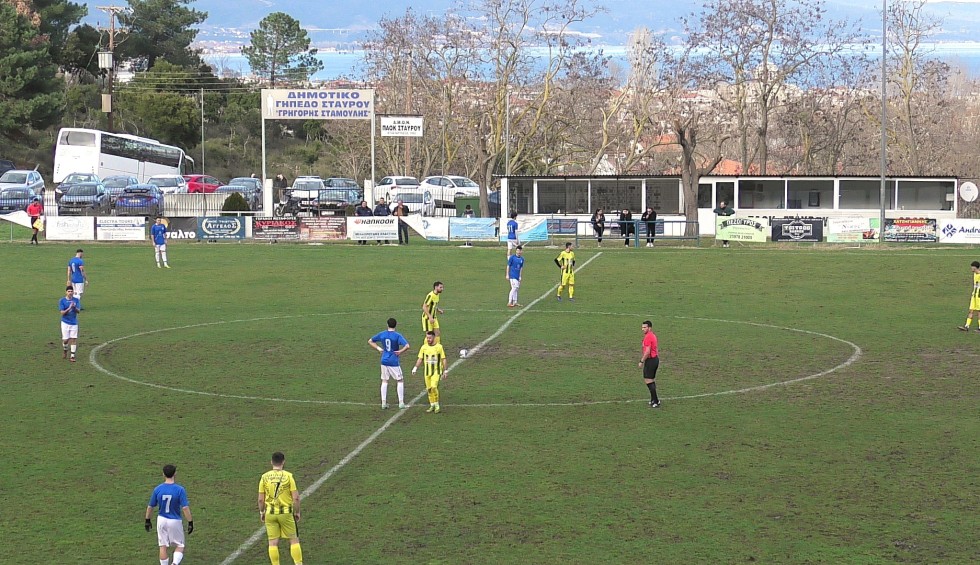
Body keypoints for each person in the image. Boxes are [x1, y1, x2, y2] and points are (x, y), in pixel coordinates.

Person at [258, 452, 304, 565]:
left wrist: (262, 512)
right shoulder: (288, 476)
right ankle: (298, 563)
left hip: (270, 513)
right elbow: (296, 498)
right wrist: (297, 512)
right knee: (293, 540)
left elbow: (260, 499)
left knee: (272, 543)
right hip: (286, 513)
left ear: (271, 462)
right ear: (283, 462)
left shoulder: (264, 477)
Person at [145, 464, 193, 565]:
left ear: (163, 474)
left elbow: (150, 507)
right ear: (175, 473)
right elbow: (185, 508)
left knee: (162, 546)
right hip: (174, 520)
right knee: (180, 545)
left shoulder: (158, 489)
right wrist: (190, 522)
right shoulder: (179, 490)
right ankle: (174, 563)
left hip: (161, 519)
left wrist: (147, 520)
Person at [368, 317, 411, 409]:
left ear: (387, 325)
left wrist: (379, 348)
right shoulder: (397, 336)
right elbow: (407, 346)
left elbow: (370, 341)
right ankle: (401, 402)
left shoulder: (382, 334)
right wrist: (400, 351)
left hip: (384, 360)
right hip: (393, 361)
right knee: (400, 380)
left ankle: (383, 402)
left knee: (384, 380)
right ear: (395, 325)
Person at [412, 331, 447, 413]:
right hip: (427, 372)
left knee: (434, 387)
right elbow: (420, 358)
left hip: (436, 371)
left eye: (430, 338)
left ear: (434, 338)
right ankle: (432, 405)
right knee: (429, 389)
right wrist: (415, 368)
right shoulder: (424, 347)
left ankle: (437, 404)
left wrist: (445, 370)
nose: (428, 339)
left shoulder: (439, 347)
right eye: (427, 338)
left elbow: (443, 359)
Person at [639, 320, 661, 408]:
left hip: (651, 360)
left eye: (645, 327)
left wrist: (641, 361)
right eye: (642, 327)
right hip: (654, 359)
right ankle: (654, 399)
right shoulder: (652, 335)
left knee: (648, 380)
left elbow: (647, 352)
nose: (643, 329)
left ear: (649, 328)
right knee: (650, 380)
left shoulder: (648, 337)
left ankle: (655, 401)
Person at [59, 285, 81, 362]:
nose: (70, 293)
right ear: (66, 292)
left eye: (71, 291)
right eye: (69, 291)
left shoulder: (76, 300)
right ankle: (65, 350)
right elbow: (62, 313)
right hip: (65, 322)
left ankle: (72, 356)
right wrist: (69, 308)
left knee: (73, 339)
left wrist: (74, 307)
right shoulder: (62, 301)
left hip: (74, 323)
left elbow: (78, 311)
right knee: (65, 340)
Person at [958, 260, 980, 332]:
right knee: (971, 310)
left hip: (979, 296)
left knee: (979, 312)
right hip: (974, 295)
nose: (971, 268)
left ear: (975, 267)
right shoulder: (974, 274)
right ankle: (966, 327)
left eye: (972, 267)